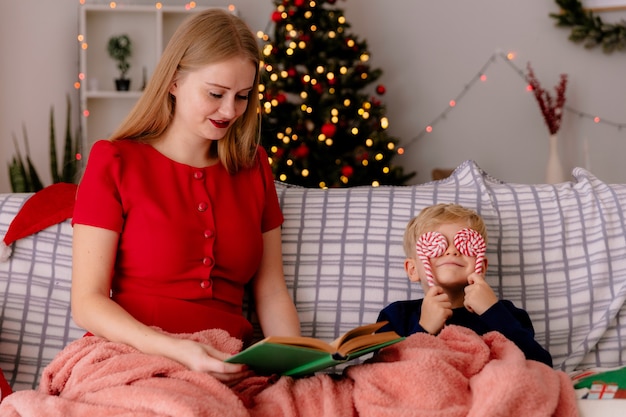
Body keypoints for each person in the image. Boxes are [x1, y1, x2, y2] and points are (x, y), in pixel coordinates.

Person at [71, 8, 301, 385]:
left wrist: (297, 365)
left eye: (242, 96)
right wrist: (176, 350)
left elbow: (272, 291)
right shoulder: (114, 160)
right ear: (175, 81)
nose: (230, 111)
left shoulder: (254, 167)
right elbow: (87, 302)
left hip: (227, 365)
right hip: (132, 357)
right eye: (215, 93)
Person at [377, 203, 553, 366]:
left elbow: (541, 365)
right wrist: (423, 329)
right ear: (412, 269)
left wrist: (492, 311)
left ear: (481, 266)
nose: (452, 250)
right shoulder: (396, 317)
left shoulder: (506, 314)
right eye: (436, 244)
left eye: (465, 244)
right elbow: (384, 372)